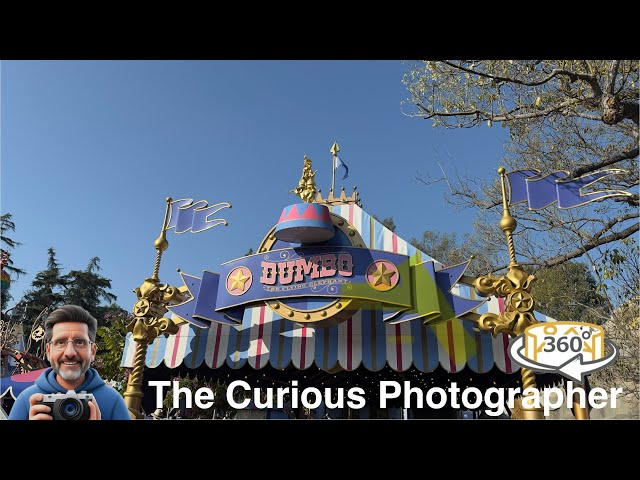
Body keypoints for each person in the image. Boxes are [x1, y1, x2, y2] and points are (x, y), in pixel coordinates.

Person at [8, 305, 131, 420]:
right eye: (60, 342)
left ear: (93, 351)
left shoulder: (112, 401)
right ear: (49, 351)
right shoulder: (26, 400)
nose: (70, 352)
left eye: (80, 342)